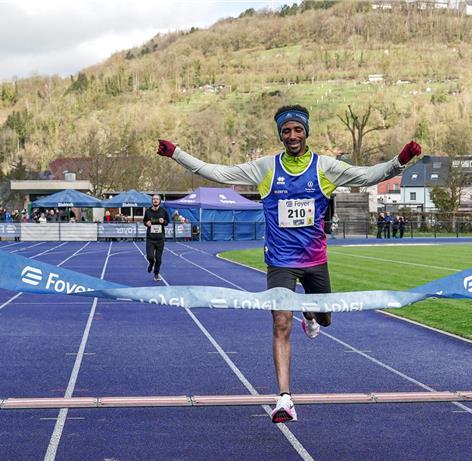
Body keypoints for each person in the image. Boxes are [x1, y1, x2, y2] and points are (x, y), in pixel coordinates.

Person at [156, 104, 421, 423]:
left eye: (297, 130)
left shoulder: (325, 167)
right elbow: (217, 172)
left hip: (315, 261)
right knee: (280, 323)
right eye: (286, 131)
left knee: (325, 320)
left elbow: (367, 176)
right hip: (280, 262)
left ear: (306, 132)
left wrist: (401, 160)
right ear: (280, 135)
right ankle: (284, 398)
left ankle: (310, 314)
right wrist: (176, 153)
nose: (292, 135)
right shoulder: (266, 168)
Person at [143, 194, 170, 281]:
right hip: (150, 238)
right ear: (152, 201)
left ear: (159, 201)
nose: (155, 200)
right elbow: (144, 221)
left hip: (160, 238)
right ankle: (151, 263)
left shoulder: (163, 211)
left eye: (157, 199)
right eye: (154, 199)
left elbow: (167, 222)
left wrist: (164, 221)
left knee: (158, 258)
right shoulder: (147, 211)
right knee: (150, 257)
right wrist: (146, 223)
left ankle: (156, 274)